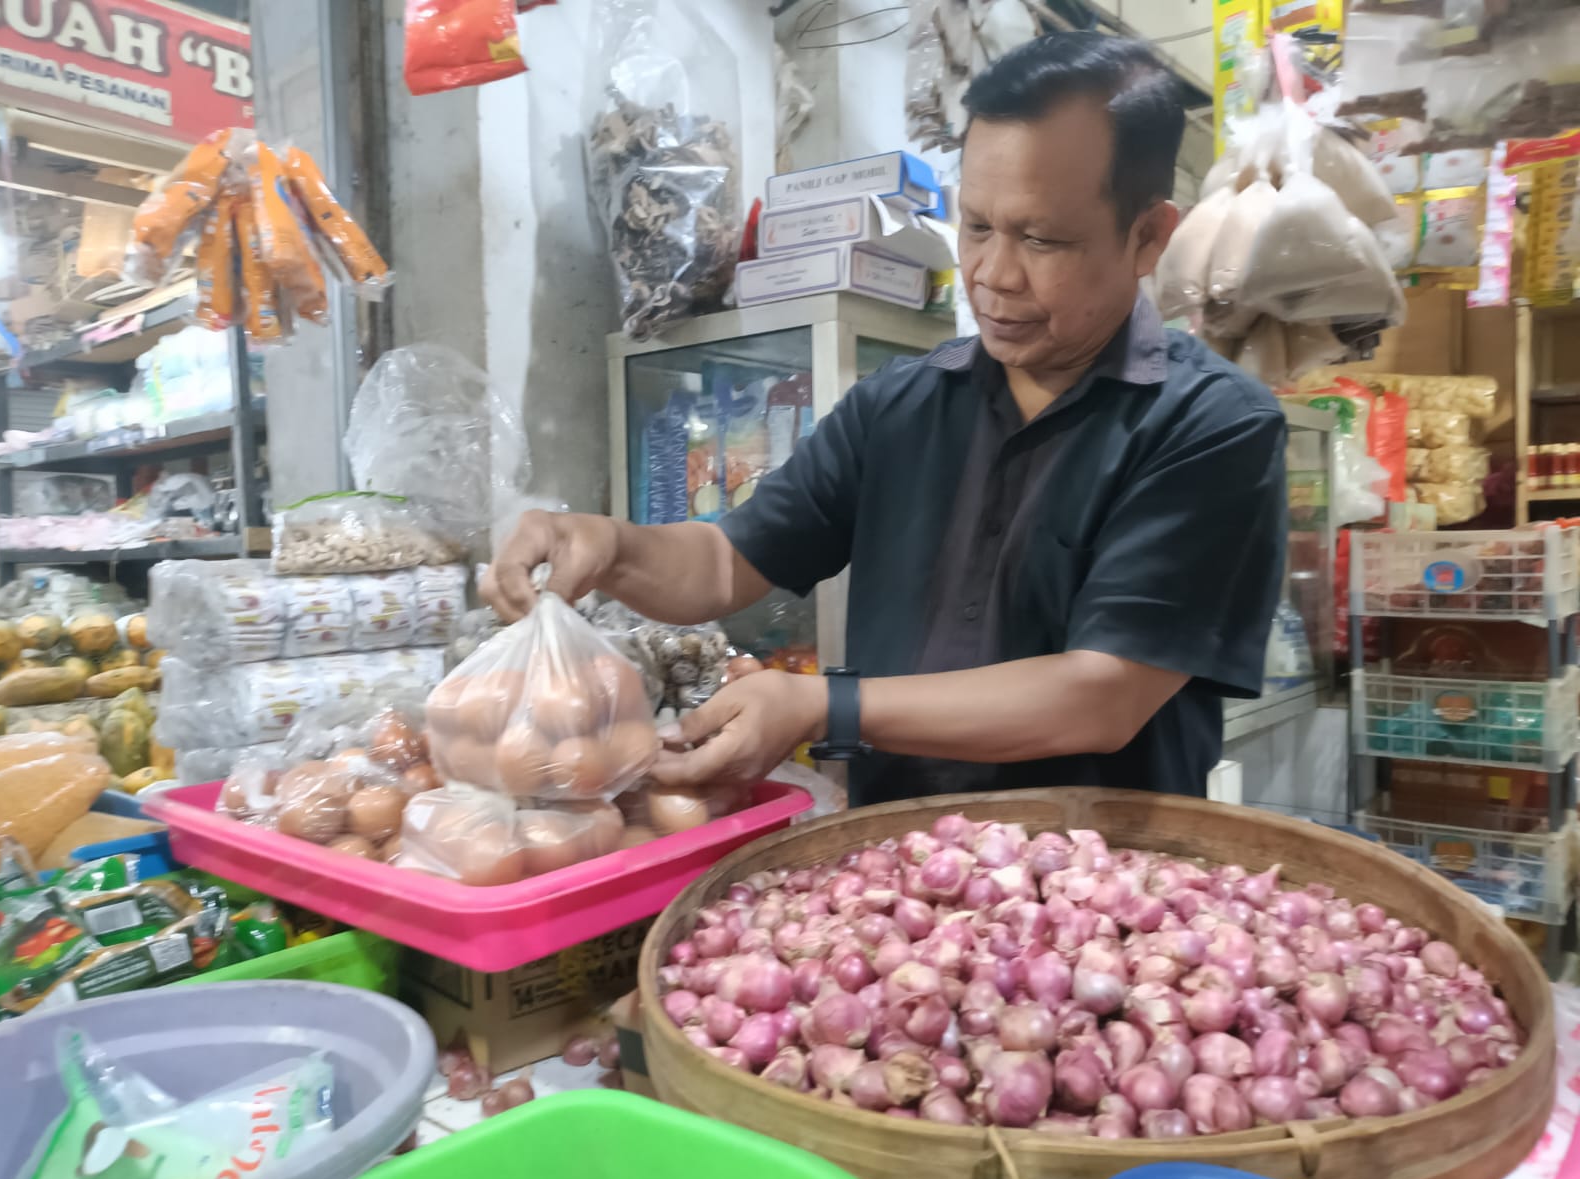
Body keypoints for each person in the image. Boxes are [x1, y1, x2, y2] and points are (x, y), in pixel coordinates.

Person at [486, 32, 1287, 806]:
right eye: (976, 226)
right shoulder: (899, 406)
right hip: (893, 885)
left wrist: (824, 708)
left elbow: (1101, 695)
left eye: (1041, 239)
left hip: (1100, 903)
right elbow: (727, 561)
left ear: (1148, 236)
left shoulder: (1212, 426)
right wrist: (612, 545)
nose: (992, 274)